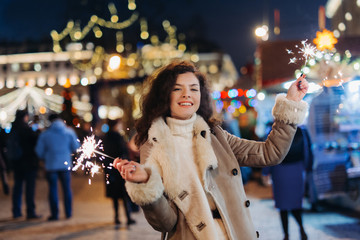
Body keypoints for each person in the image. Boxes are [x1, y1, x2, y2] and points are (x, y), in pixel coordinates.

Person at [113, 61, 309, 240]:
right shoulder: (153, 146)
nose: (187, 95)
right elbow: (165, 223)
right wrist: (146, 182)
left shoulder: (216, 137)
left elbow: (270, 153)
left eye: (193, 88)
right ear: (164, 95)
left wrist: (291, 103)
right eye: (177, 89)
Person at [262, 126, 311, 240]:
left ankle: (286, 235)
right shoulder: (301, 131)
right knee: (296, 203)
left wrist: (266, 172)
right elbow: (306, 150)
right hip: (297, 170)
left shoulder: (274, 130)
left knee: (282, 205)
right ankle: (301, 228)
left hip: (280, 171)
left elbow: (268, 153)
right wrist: (306, 167)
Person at [35, 113, 80, 221]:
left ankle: (55, 214)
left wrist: (45, 157)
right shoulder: (69, 132)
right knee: (67, 189)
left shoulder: (45, 134)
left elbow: (39, 151)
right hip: (65, 165)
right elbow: (76, 147)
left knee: (53, 190)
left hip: (51, 166)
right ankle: (68, 213)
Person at [6, 110, 41, 219]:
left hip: (17, 163)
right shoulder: (26, 129)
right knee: (29, 189)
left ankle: (16, 211)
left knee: (17, 187)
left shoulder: (13, 129)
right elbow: (35, 141)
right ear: (25, 117)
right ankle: (30, 211)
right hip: (29, 163)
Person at [102, 119, 136, 225]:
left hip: (110, 170)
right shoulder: (118, 137)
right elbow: (123, 153)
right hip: (120, 170)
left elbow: (102, 155)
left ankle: (116, 217)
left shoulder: (105, 137)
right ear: (116, 125)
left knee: (115, 196)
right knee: (125, 195)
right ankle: (128, 217)